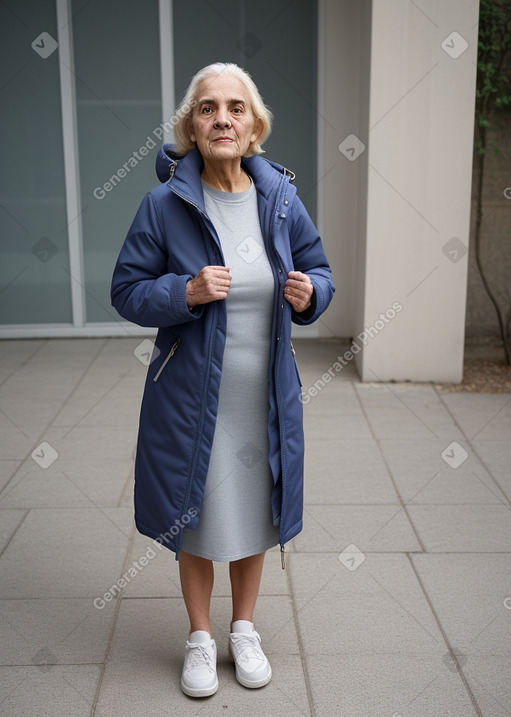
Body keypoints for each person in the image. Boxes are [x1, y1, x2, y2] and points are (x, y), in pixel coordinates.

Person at [111, 62, 335, 698]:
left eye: (235, 108)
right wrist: (183, 291)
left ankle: (243, 629)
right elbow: (125, 291)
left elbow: (321, 269)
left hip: (262, 394)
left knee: (253, 512)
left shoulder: (282, 200)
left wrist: (308, 293)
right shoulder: (164, 204)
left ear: (255, 124)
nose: (222, 119)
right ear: (191, 125)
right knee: (198, 515)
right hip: (190, 396)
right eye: (208, 109)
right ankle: (200, 639)